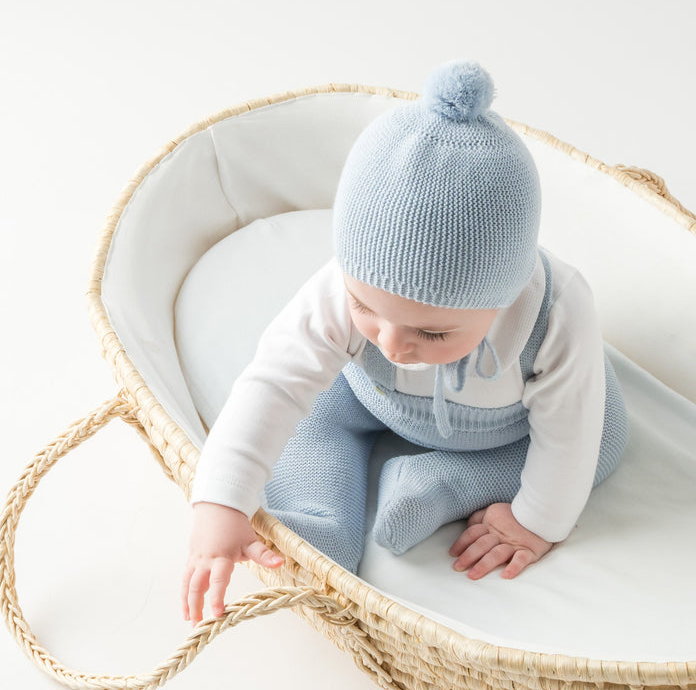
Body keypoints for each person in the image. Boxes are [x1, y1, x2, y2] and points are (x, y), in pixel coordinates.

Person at [181, 60, 628, 625]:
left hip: (507, 427)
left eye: (432, 332)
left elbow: (567, 437)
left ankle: (443, 483)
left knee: (601, 437)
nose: (392, 345)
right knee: (315, 411)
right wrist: (221, 500)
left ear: (505, 294)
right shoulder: (344, 283)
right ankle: (320, 521)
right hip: (369, 398)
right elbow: (274, 379)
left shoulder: (558, 311)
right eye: (365, 309)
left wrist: (537, 520)